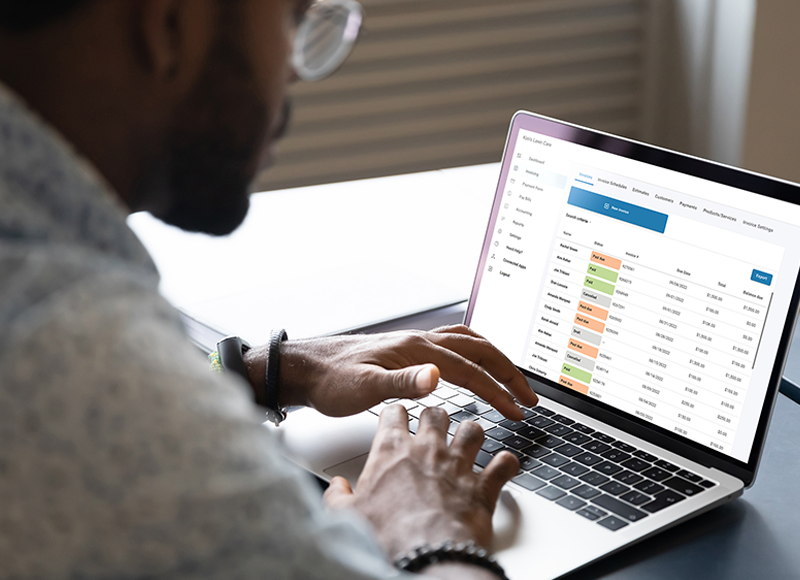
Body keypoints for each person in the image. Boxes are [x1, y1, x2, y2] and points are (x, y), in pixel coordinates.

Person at [0, 1, 539, 578]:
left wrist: (266, 371)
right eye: (291, 16)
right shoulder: (74, 351)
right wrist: (431, 533)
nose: (293, 68)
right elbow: (107, 398)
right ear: (169, 24)